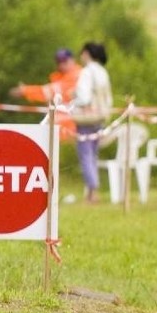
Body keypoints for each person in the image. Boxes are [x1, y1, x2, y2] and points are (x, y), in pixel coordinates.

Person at [71, 42, 113, 204]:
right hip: (100, 116)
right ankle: (92, 191)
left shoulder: (87, 72)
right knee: (93, 154)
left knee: (85, 155)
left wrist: (73, 102)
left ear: (87, 54)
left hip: (87, 118)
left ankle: (92, 191)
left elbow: (84, 96)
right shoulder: (103, 72)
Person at [8, 48, 82, 139]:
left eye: (65, 61)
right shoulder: (59, 77)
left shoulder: (77, 76)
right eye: (59, 62)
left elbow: (48, 92)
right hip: (61, 127)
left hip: (73, 128)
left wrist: (25, 90)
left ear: (72, 60)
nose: (62, 65)